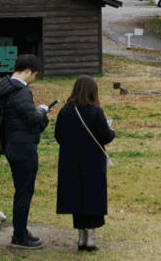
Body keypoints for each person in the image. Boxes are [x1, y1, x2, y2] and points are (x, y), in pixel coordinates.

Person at [0, 54, 51, 249]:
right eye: (34, 74)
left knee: (21, 190)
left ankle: (21, 230)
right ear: (27, 71)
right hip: (24, 147)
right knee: (24, 192)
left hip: (11, 144)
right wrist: (43, 110)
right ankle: (19, 235)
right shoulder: (21, 92)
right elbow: (32, 118)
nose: (34, 78)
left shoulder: (4, 88)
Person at [54, 75, 115, 252]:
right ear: (92, 91)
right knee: (92, 198)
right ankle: (91, 238)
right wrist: (112, 132)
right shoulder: (96, 111)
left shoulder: (65, 111)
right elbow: (105, 135)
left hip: (70, 161)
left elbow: (58, 135)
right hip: (92, 161)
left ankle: (81, 237)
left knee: (76, 197)